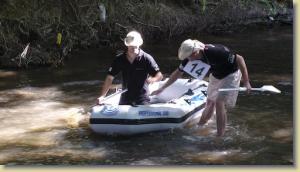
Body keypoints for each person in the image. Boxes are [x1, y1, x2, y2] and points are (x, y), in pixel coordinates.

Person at [151, 39, 251, 136]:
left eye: (189, 56)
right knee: (210, 102)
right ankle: (201, 125)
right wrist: (162, 88)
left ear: (195, 52)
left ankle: (220, 135)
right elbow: (177, 73)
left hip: (230, 74)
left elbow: (240, 59)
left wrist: (246, 82)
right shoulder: (189, 59)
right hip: (216, 75)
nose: (188, 59)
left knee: (219, 103)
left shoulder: (214, 51)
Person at [98, 31, 163, 105]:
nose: (133, 48)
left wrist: (153, 79)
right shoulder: (119, 59)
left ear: (139, 44)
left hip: (142, 98)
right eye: (131, 46)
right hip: (125, 97)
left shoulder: (147, 58)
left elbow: (160, 75)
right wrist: (102, 96)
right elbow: (109, 77)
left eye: (135, 46)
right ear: (127, 45)